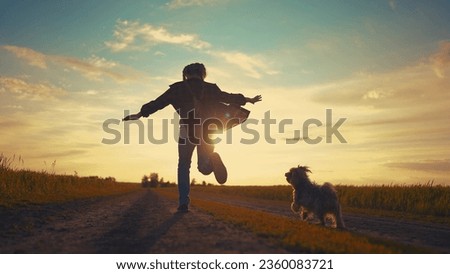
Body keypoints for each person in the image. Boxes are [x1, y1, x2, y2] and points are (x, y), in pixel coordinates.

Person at [123, 63, 262, 212]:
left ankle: (183, 203)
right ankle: (212, 158)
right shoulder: (211, 88)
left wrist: (140, 114)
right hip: (208, 130)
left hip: (187, 131)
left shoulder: (176, 89)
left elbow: (157, 103)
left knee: (183, 165)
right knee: (204, 168)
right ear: (203, 74)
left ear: (186, 74)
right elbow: (229, 97)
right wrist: (248, 99)